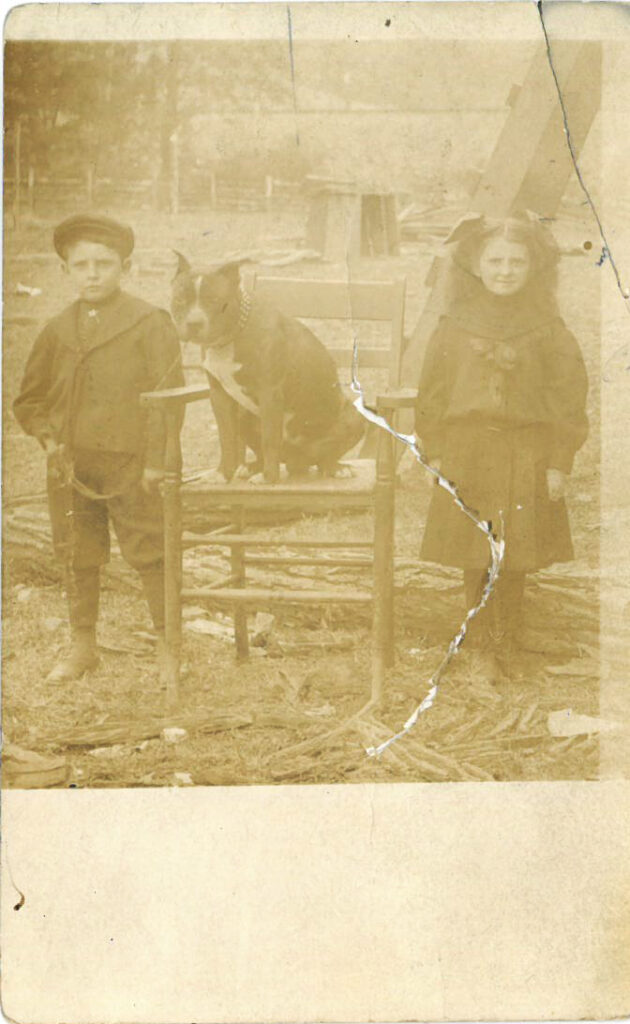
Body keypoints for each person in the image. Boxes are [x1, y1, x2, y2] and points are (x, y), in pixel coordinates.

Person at [414, 212, 589, 682]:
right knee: (475, 548)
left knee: (517, 548)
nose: (505, 270)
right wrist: (434, 451)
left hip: (527, 449)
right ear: (476, 263)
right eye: (496, 260)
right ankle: (478, 644)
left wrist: (559, 461)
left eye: (517, 261)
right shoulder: (455, 322)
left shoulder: (547, 324)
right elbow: (432, 391)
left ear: (533, 267)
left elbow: (568, 395)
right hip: (469, 449)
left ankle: (510, 635)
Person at [14, 214, 184, 684]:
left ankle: (169, 649)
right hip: (72, 467)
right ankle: (83, 646)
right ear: (66, 270)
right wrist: (50, 440)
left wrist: (155, 463)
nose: (92, 273)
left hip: (134, 464)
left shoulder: (150, 323)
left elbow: (170, 400)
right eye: (81, 264)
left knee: (152, 553)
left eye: (104, 263)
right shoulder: (56, 330)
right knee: (76, 552)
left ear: (124, 267)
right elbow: (28, 399)